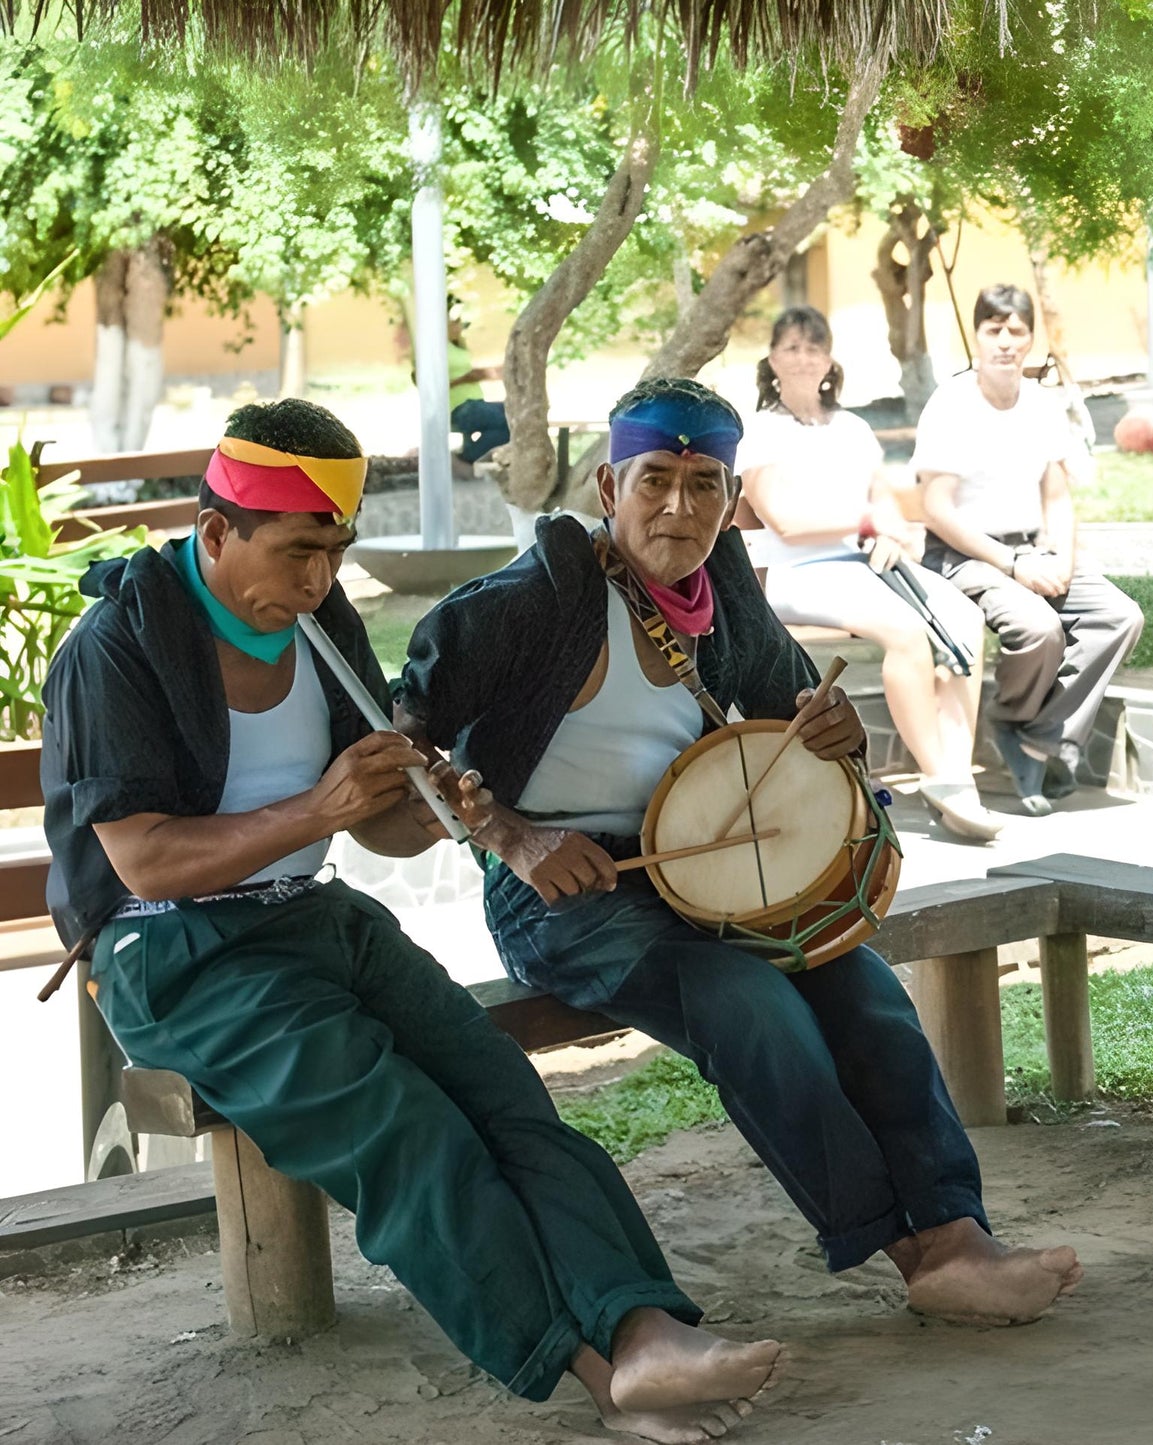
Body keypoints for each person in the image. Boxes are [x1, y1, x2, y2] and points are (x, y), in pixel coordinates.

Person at [40, 398, 782, 1445]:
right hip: (171, 948)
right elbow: (143, 856)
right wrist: (318, 808)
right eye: (298, 551)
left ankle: (644, 1326)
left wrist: (441, 813)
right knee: (410, 1130)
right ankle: (588, 1368)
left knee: (505, 1096)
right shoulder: (117, 646)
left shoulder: (320, 621)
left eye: (335, 552)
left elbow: (379, 829)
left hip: (311, 914)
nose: (319, 579)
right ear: (215, 533)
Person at [398, 378, 1083, 1328]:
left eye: (703, 483)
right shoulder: (528, 599)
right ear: (608, 487)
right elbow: (402, 743)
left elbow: (788, 713)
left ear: (730, 498)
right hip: (563, 892)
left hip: (700, 860)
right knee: (748, 1003)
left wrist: (831, 727)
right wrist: (511, 837)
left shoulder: (722, 588)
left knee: (864, 989)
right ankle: (907, 1249)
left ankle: (959, 1234)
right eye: (654, 481)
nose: (678, 507)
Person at [736, 307, 999, 841]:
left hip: (866, 566)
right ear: (771, 360)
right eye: (791, 347)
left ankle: (954, 773)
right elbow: (781, 520)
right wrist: (865, 522)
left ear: (829, 360)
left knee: (965, 618)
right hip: (793, 571)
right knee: (905, 633)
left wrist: (900, 532)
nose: (804, 358)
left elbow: (881, 498)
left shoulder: (852, 427)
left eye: (814, 348)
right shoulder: (761, 431)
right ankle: (938, 776)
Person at [913, 285, 1143, 815]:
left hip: (1033, 551)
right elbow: (937, 509)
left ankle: (1037, 733)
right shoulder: (951, 403)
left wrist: (1061, 557)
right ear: (976, 336)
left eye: (1017, 331)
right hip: (964, 557)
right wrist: (1013, 564)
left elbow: (1056, 494)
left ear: (1031, 340)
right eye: (993, 330)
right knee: (1037, 627)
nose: (1005, 342)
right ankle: (1015, 719)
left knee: (1119, 615)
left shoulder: (1040, 406)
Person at [448, 309, 510, 471]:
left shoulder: (458, 349)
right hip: (459, 408)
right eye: (455, 323)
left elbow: (473, 373)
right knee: (510, 420)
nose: (459, 327)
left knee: (515, 415)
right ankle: (466, 458)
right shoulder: (435, 351)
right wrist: (467, 378)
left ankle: (472, 455)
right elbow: (424, 380)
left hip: (475, 403)